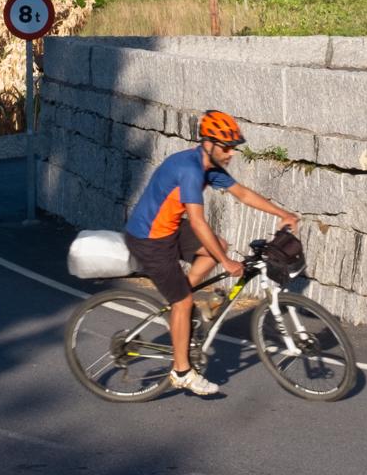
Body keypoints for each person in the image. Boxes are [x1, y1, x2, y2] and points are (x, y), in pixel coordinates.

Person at [122, 109, 299, 397]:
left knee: (219, 246)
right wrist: (227, 264)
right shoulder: (190, 170)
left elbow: (242, 193)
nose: (231, 153)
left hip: (168, 230)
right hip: (149, 239)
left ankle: (186, 298)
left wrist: (284, 213)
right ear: (208, 143)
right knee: (183, 300)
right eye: (227, 147)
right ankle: (182, 372)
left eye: (233, 148)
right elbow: (198, 222)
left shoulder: (208, 167)